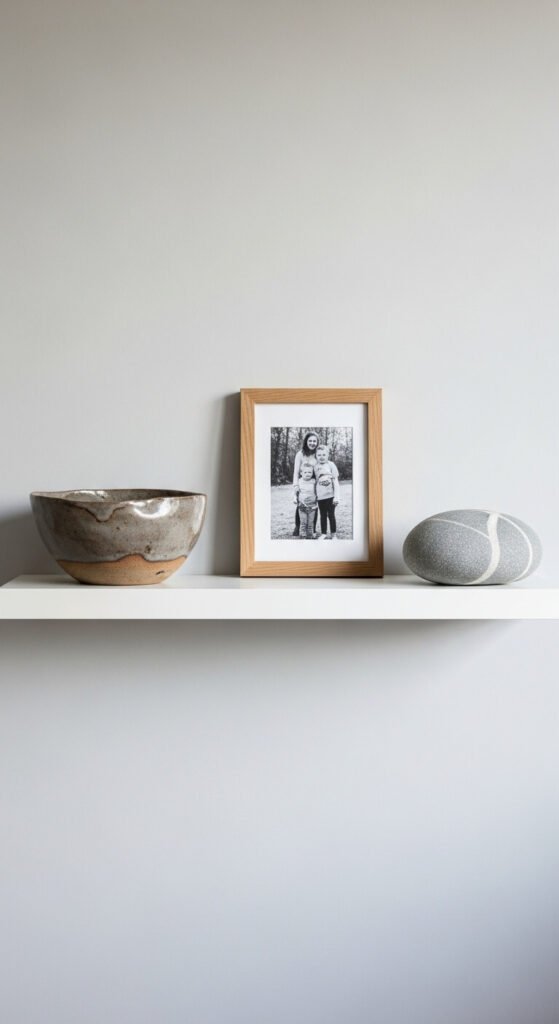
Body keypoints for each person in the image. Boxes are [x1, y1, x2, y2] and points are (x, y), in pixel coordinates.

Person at [292, 432, 319, 537]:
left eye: (314, 441)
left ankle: (312, 528)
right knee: (301, 504)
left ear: (317, 442)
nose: (312, 443)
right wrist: (296, 486)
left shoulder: (318, 453)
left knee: (314, 505)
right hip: (302, 481)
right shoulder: (300, 454)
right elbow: (296, 472)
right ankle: (298, 527)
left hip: (314, 482)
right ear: (306, 442)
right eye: (310, 441)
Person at [315, 444, 340, 539]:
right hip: (320, 497)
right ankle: (323, 533)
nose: (321, 457)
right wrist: (315, 496)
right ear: (316, 455)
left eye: (324, 455)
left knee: (331, 515)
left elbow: (336, 482)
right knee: (322, 515)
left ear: (328, 455)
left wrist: (336, 497)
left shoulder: (331, 465)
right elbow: (315, 482)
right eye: (319, 455)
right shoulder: (315, 467)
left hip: (330, 496)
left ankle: (333, 534)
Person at [293, 464, 318, 539]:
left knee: (310, 523)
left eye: (310, 472)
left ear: (312, 473)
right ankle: (303, 536)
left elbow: (317, 492)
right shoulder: (299, 481)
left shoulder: (314, 481)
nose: (307, 474)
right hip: (302, 506)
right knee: (303, 522)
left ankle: (310, 536)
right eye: (305, 472)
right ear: (301, 473)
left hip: (312, 506)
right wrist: (294, 498)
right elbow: (295, 492)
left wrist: (317, 501)